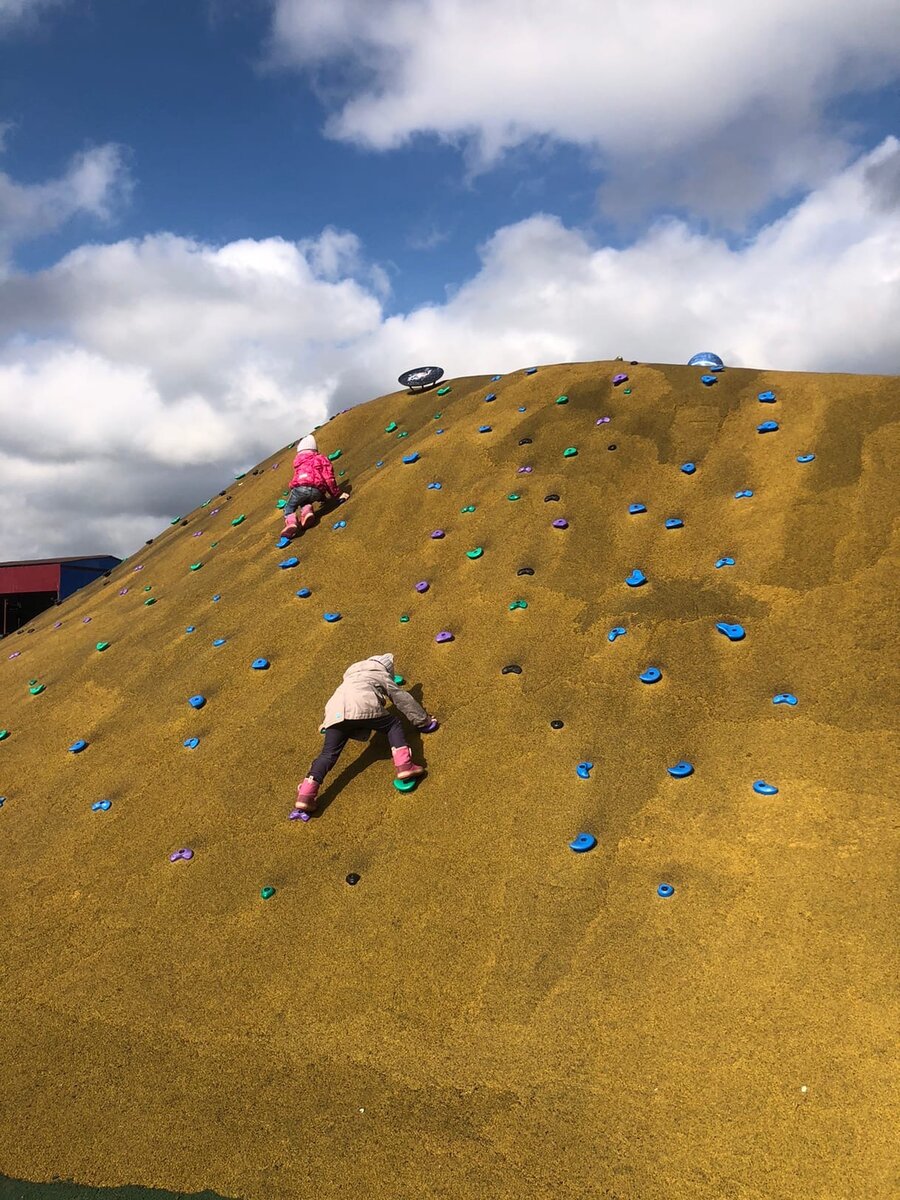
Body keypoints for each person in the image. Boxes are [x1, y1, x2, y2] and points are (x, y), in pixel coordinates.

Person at [295, 654, 438, 813]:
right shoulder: (380, 674)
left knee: (327, 754)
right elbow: (402, 699)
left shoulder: (347, 680)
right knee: (393, 725)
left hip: (333, 715)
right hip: (362, 706)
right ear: (386, 670)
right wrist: (423, 721)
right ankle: (405, 765)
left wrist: (325, 725)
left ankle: (305, 794)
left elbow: (338, 702)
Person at [280, 434, 348, 539]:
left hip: (299, 489)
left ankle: (292, 523)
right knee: (306, 500)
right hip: (317, 491)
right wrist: (336, 494)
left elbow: (297, 479)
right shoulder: (321, 459)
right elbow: (328, 478)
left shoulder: (299, 463)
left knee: (289, 507)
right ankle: (307, 512)